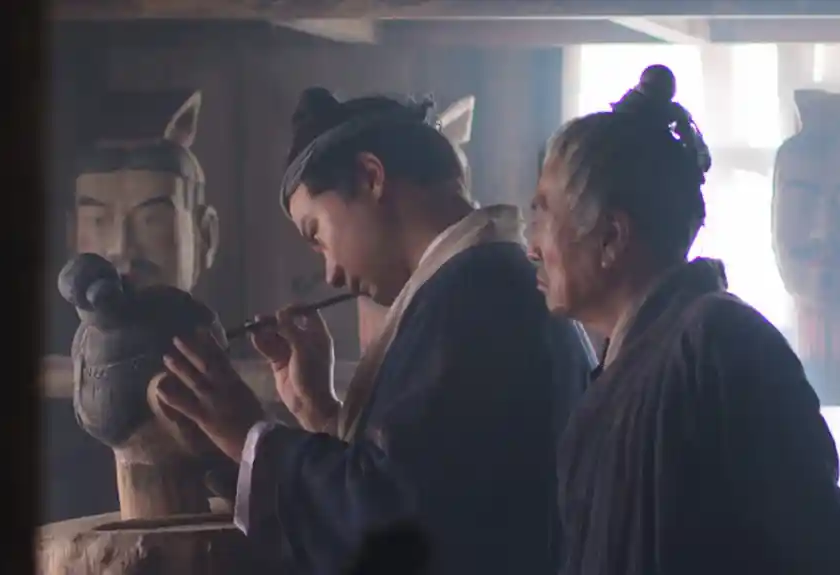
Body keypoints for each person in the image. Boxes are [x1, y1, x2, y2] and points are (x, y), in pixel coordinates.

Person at [152, 88, 594, 575]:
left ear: (370, 177)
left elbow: (395, 528)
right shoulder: (484, 287)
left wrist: (250, 437)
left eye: (317, 234)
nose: (331, 274)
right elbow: (423, 484)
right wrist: (319, 410)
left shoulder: (476, 304)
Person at [526, 64, 840, 575]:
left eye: (543, 215)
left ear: (612, 237)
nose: (532, 247)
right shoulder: (637, 358)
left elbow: (829, 556)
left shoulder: (721, 346)